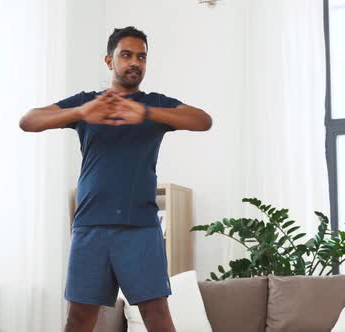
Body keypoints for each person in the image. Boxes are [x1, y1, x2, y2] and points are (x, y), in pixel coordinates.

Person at [19, 26, 212, 332]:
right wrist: (82, 111)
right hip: (90, 227)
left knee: (158, 317)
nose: (135, 62)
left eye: (142, 56)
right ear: (109, 61)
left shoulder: (156, 105)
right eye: (126, 54)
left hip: (141, 228)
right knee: (79, 320)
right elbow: (28, 120)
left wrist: (145, 112)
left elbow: (203, 120)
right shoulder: (87, 103)